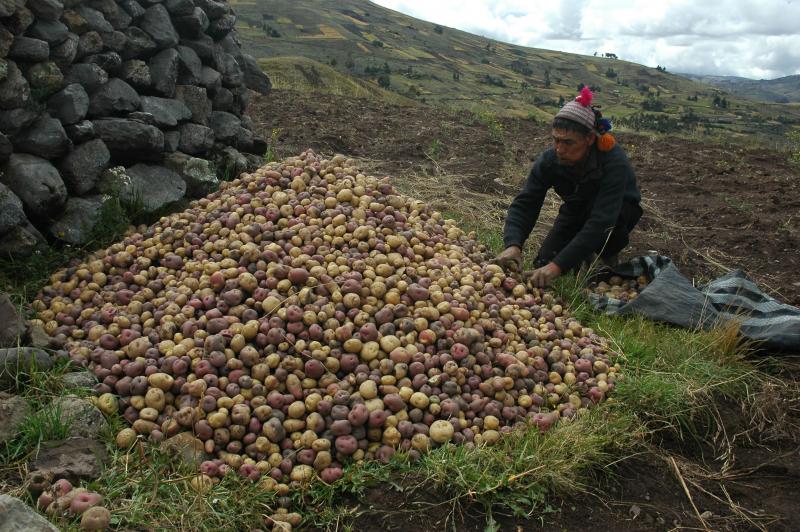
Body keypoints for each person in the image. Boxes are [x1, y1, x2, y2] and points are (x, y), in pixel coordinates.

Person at [496, 86, 642, 287]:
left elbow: (601, 221)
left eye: (568, 142)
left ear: (589, 138)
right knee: (543, 263)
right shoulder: (550, 160)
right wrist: (513, 244)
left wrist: (559, 266)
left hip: (617, 213)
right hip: (577, 208)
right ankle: (578, 253)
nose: (559, 149)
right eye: (556, 140)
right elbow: (526, 203)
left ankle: (603, 257)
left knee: (603, 248)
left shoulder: (614, 163)